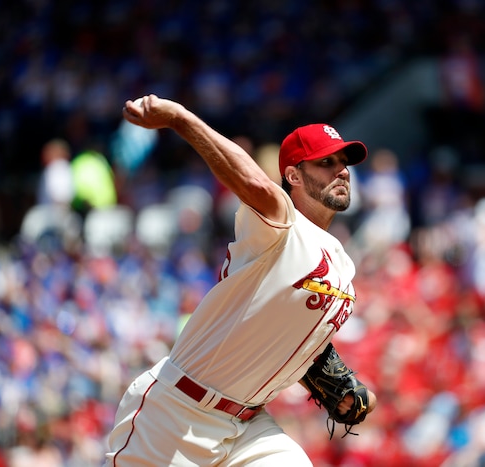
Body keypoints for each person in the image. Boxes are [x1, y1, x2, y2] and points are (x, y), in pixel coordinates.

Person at [104, 94, 377, 466]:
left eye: (343, 162)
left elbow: (287, 331)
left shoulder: (344, 266)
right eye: (326, 162)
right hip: (178, 412)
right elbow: (254, 183)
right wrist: (180, 119)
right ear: (293, 176)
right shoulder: (279, 224)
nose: (341, 170)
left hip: (248, 424)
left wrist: (329, 377)